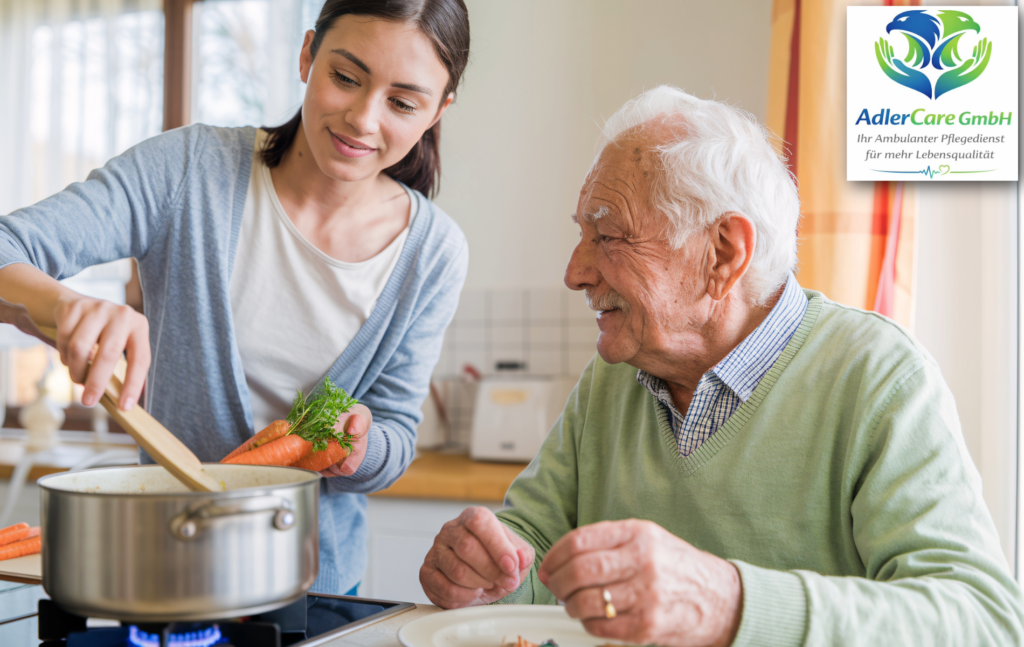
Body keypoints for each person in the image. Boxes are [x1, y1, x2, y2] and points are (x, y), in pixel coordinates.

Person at [419, 86, 1024, 646]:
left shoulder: (877, 376)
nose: (575, 272)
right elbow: (534, 552)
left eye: (609, 237)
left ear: (724, 253)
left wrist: (729, 604)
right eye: (582, 235)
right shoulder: (613, 374)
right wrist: (486, 574)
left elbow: (982, 621)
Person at [0, 0, 470, 596]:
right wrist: (63, 306)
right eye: (346, 77)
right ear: (307, 55)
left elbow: (397, 433)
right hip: (167, 568)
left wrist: (359, 444)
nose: (362, 119)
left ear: (438, 111)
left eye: (402, 103)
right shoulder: (189, 170)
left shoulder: (434, 252)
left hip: (314, 583)